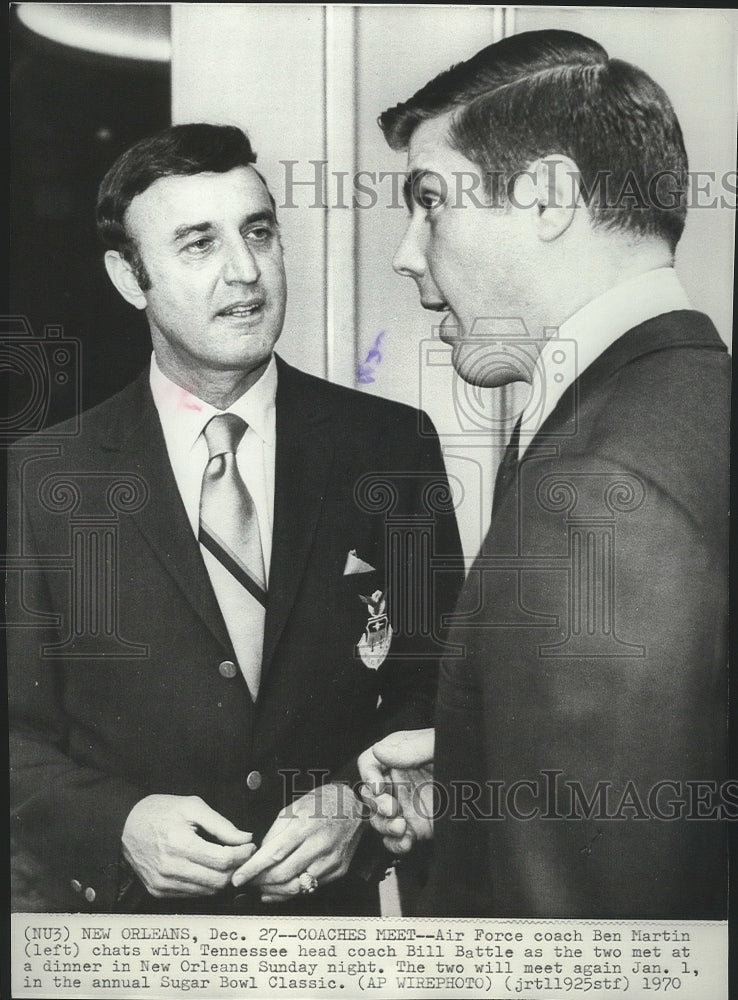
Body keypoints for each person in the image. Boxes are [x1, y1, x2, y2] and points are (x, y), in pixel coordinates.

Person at [7, 123, 463, 914]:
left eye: (258, 231)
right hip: (124, 945)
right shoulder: (44, 477)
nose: (246, 271)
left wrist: (355, 797)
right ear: (128, 276)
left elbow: (441, 682)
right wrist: (116, 822)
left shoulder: (390, 445)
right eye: (198, 244)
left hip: (328, 939)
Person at [359, 29, 729, 918]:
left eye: (430, 204)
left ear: (550, 196)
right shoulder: (692, 400)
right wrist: (488, 790)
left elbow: (589, 947)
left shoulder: (603, 491)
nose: (408, 254)